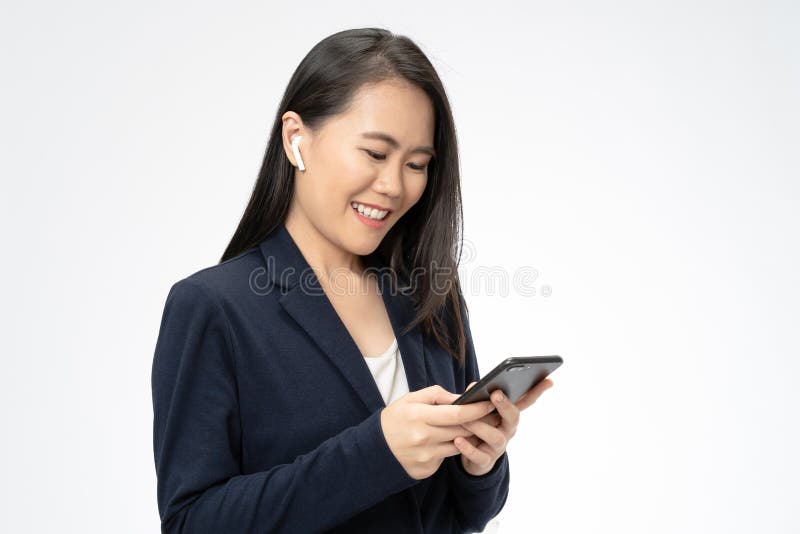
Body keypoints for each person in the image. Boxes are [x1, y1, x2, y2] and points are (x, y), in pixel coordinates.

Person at [151, 27, 554, 533]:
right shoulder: (213, 308)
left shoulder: (431, 294)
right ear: (297, 138)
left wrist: (482, 462)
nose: (392, 186)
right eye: (374, 153)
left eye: (416, 164)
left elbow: (467, 514)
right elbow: (192, 523)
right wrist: (377, 453)